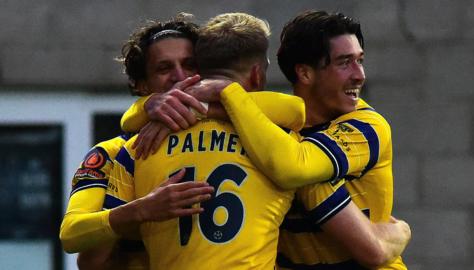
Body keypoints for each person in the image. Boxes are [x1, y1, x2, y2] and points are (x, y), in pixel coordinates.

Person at [117, 11, 410, 270]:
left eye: (360, 60)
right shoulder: (273, 135)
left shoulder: (364, 125)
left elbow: (295, 166)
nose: (360, 75)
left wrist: (170, 105)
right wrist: (152, 105)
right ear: (303, 73)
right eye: (345, 63)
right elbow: (373, 248)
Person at [59, 13, 215, 270]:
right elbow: (72, 235)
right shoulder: (111, 153)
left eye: (190, 64)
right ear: (142, 85)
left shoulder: (242, 133)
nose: (179, 76)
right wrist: (142, 210)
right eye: (164, 68)